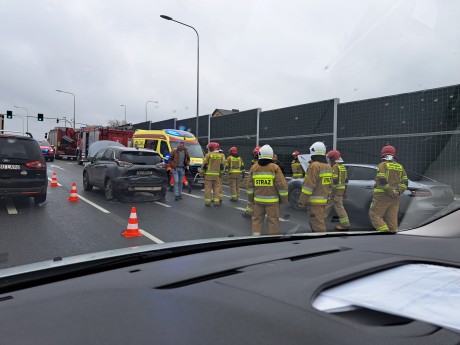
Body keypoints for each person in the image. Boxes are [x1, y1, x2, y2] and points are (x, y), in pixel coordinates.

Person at [247, 145, 288, 236]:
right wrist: (284, 200)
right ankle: (272, 240)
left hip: (258, 201)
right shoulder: (275, 167)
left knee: (257, 220)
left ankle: (255, 237)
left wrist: (251, 199)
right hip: (272, 202)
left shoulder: (254, 167)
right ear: (271, 155)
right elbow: (282, 185)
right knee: (273, 221)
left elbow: (249, 186)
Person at [369, 145, 408, 232]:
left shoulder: (382, 165)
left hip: (382, 196)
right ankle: (392, 237)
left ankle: (384, 233)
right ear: (394, 155)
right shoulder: (400, 167)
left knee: (375, 215)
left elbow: (382, 180)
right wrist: (398, 192)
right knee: (392, 221)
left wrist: (390, 191)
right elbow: (405, 182)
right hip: (395, 198)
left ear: (383, 154)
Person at [298, 142, 333, 232]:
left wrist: (302, 201)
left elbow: (309, 186)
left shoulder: (314, 166)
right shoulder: (328, 166)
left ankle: (321, 244)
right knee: (319, 223)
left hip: (314, 203)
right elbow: (330, 185)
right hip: (323, 201)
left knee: (318, 226)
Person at [325, 150, 350, 230]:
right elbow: (346, 181)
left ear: (333, 159)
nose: (328, 160)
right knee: (328, 207)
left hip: (335, 193)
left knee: (338, 208)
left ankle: (345, 225)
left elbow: (334, 182)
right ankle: (320, 222)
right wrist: (345, 191)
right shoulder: (342, 167)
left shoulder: (335, 167)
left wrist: (331, 193)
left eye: (329, 159)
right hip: (340, 192)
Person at [201, 142, 225, 207]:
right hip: (217, 175)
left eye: (209, 148)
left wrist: (201, 172)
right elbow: (222, 166)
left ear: (211, 148)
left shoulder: (208, 155)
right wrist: (221, 174)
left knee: (208, 189)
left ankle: (207, 202)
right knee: (217, 189)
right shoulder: (220, 155)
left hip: (208, 176)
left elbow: (205, 165)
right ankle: (216, 202)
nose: (208, 149)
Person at [242, 146, 260, 218]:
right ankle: (251, 213)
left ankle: (250, 213)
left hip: (255, 181)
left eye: (256, 153)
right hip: (258, 181)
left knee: (252, 199)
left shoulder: (256, 162)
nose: (255, 154)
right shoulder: (255, 161)